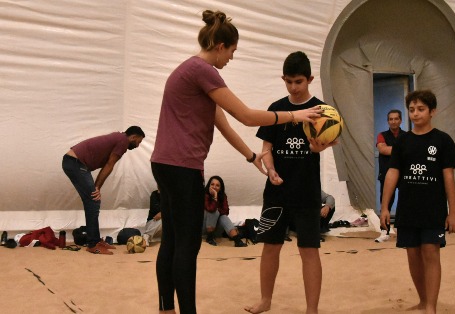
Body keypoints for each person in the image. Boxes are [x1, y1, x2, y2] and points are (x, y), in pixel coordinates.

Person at [150, 10, 322, 314]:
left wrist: (251, 156)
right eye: (231, 51)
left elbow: (224, 125)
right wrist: (294, 115)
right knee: (187, 245)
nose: (230, 58)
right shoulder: (204, 71)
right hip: (182, 166)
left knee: (173, 240)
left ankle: (166, 308)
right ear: (220, 46)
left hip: (164, 163)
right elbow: (244, 116)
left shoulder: (189, 72)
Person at [245, 51, 336, 314]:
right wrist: (270, 169)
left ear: (310, 79)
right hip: (276, 192)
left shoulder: (322, 110)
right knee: (270, 247)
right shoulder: (276, 108)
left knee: (309, 250)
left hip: (307, 192)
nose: (294, 87)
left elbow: (328, 142)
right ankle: (265, 300)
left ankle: (312, 309)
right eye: (288, 82)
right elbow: (266, 147)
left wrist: (319, 147)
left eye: (299, 81)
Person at [380, 90, 455, 314]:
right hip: (408, 210)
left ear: (432, 111)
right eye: (412, 109)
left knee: (430, 253)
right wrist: (385, 207)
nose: (415, 114)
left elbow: (448, 178)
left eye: (421, 109)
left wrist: (453, 212)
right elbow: (392, 173)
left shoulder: (442, 140)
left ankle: (431, 307)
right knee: (413, 255)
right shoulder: (403, 141)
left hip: (433, 210)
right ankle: (423, 300)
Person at [62, 126, 145, 255]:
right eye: (138, 142)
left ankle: (95, 240)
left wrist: (96, 187)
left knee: (92, 201)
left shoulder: (119, 138)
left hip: (74, 163)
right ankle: (93, 244)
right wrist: (97, 187)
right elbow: (109, 165)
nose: (138, 145)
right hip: (75, 163)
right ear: (133, 137)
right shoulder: (123, 141)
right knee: (93, 200)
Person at [376, 109, 404, 242]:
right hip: (386, 174)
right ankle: (384, 231)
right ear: (388, 121)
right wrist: (401, 149)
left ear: (401, 120)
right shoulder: (381, 135)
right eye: (391, 119)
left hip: (403, 174)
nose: (393, 121)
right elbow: (382, 149)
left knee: (404, 203)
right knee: (386, 203)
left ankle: (402, 230)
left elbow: (411, 150)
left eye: (396, 119)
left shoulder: (407, 135)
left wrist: (393, 149)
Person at [203, 175, 247, 247]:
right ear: (209, 185)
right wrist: (215, 197)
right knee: (214, 212)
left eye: (217, 185)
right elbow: (210, 209)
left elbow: (226, 212)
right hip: (204, 229)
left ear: (220, 188)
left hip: (216, 230)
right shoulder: (204, 195)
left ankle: (237, 240)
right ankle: (209, 238)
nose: (214, 187)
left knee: (223, 217)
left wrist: (217, 207)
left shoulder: (223, 196)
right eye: (212, 184)